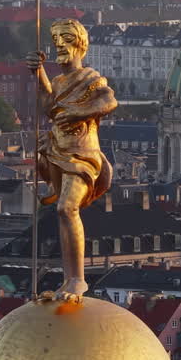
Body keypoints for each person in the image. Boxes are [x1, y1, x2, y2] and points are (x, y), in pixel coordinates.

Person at [25, 18, 116, 299]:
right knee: (61, 211)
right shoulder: (59, 80)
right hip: (57, 148)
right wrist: (38, 73)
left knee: (67, 208)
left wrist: (79, 112)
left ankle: (77, 279)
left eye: (66, 38)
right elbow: (49, 108)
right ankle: (69, 279)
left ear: (80, 43)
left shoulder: (90, 77)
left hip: (83, 152)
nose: (60, 44)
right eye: (56, 39)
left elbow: (109, 101)